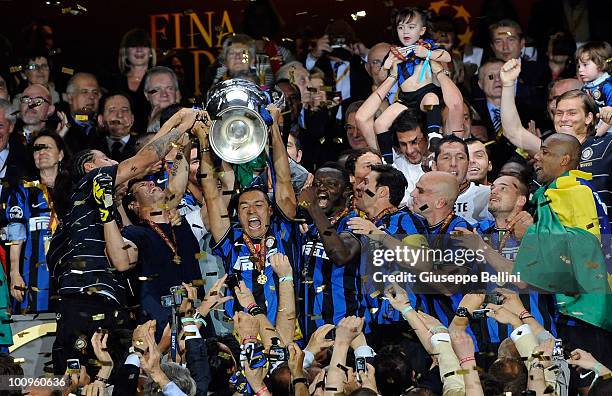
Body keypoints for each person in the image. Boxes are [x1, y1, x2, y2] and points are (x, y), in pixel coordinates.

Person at [47, 108, 202, 374]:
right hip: (84, 302)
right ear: (90, 167)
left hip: (107, 305)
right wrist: (183, 124)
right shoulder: (91, 182)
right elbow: (141, 161)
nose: (114, 163)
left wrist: (177, 123)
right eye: (105, 158)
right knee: (78, 383)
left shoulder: (102, 211)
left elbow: (146, 163)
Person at [513, 133, 612, 394]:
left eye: (545, 152)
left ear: (565, 160)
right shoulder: (555, 193)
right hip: (571, 310)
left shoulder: (574, 193)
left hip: (586, 312)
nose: (537, 156)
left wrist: (531, 233)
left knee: (591, 387)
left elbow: (586, 248)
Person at [201, 106, 299, 325]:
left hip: (288, 331)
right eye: (244, 207)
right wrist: (204, 142)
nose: (251, 211)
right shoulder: (230, 242)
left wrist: (273, 128)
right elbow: (211, 194)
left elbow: (283, 179)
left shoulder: (284, 233)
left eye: (258, 205)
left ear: (271, 210)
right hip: (245, 337)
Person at [500, 58, 612, 219]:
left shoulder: (606, 146)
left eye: (572, 113)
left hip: (599, 239)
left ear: (588, 118)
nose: (564, 118)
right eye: (559, 113)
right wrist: (509, 84)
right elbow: (513, 131)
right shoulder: (548, 152)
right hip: (552, 238)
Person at [6, 131, 66, 313]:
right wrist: (14, 273)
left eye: (47, 147)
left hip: (68, 275)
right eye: (36, 149)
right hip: (31, 275)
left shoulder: (74, 189)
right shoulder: (22, 191)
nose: (41, 153)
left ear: (60, 154)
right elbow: (16, 234)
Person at [298, 164, 360, 336]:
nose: (322, 189)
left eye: (331, 184)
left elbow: (341, 255)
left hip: (343, 327)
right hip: (306, 328)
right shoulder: (307, 225)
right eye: (317, 184)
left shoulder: (355, 223)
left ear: (347, 191)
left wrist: (314, 208)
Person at [374, 7, 451, 143]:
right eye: (401, 27)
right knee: (380, 124)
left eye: (411, 27)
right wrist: (387, 64)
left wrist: (427, 54)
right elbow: (381, 79)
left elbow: (447, 57)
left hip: (424, 96)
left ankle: (434, 135)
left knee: (432, 101)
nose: (405, 31)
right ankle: (387, 159)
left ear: (422, 30)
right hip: (405, 100)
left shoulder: (427, 46)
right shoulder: (395, 52)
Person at [433, 135, 492, 224]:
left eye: (460, 158)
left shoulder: (489, 196)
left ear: (468, 164)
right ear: (434, 166)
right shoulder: (420, 198)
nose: (453, 164)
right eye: (446, 158)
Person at [113, 28, 157, 133]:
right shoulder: (114, 82)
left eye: (144, 46)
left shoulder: (161, 80)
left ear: (151, 52)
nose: (139, 50)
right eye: (133, 46)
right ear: (125, 53)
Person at [575, 41, 612, 135]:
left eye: (585, 65)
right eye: (579, 66)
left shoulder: (607, 86)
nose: (580, 69)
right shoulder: (585, 87)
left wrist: (596, 134)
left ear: (601, 64)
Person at [90, 92, 138, 162]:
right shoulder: (90, 147)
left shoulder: (143, 146)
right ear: (101, 120)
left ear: (132, 119)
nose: (120, 115)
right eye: (112, 110)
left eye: (125, 110)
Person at [61, 72, 101, 154]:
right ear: (70, 98)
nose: (91, 97)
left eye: (95, 92)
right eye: (84, 92)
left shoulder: (104, 129)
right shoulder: (58, 127)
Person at [144, 66, 182, 133]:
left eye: (169, 88)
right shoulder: (134, 127)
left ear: (177, 93)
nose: (164, 94)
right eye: (157, 89)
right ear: (146, 95)